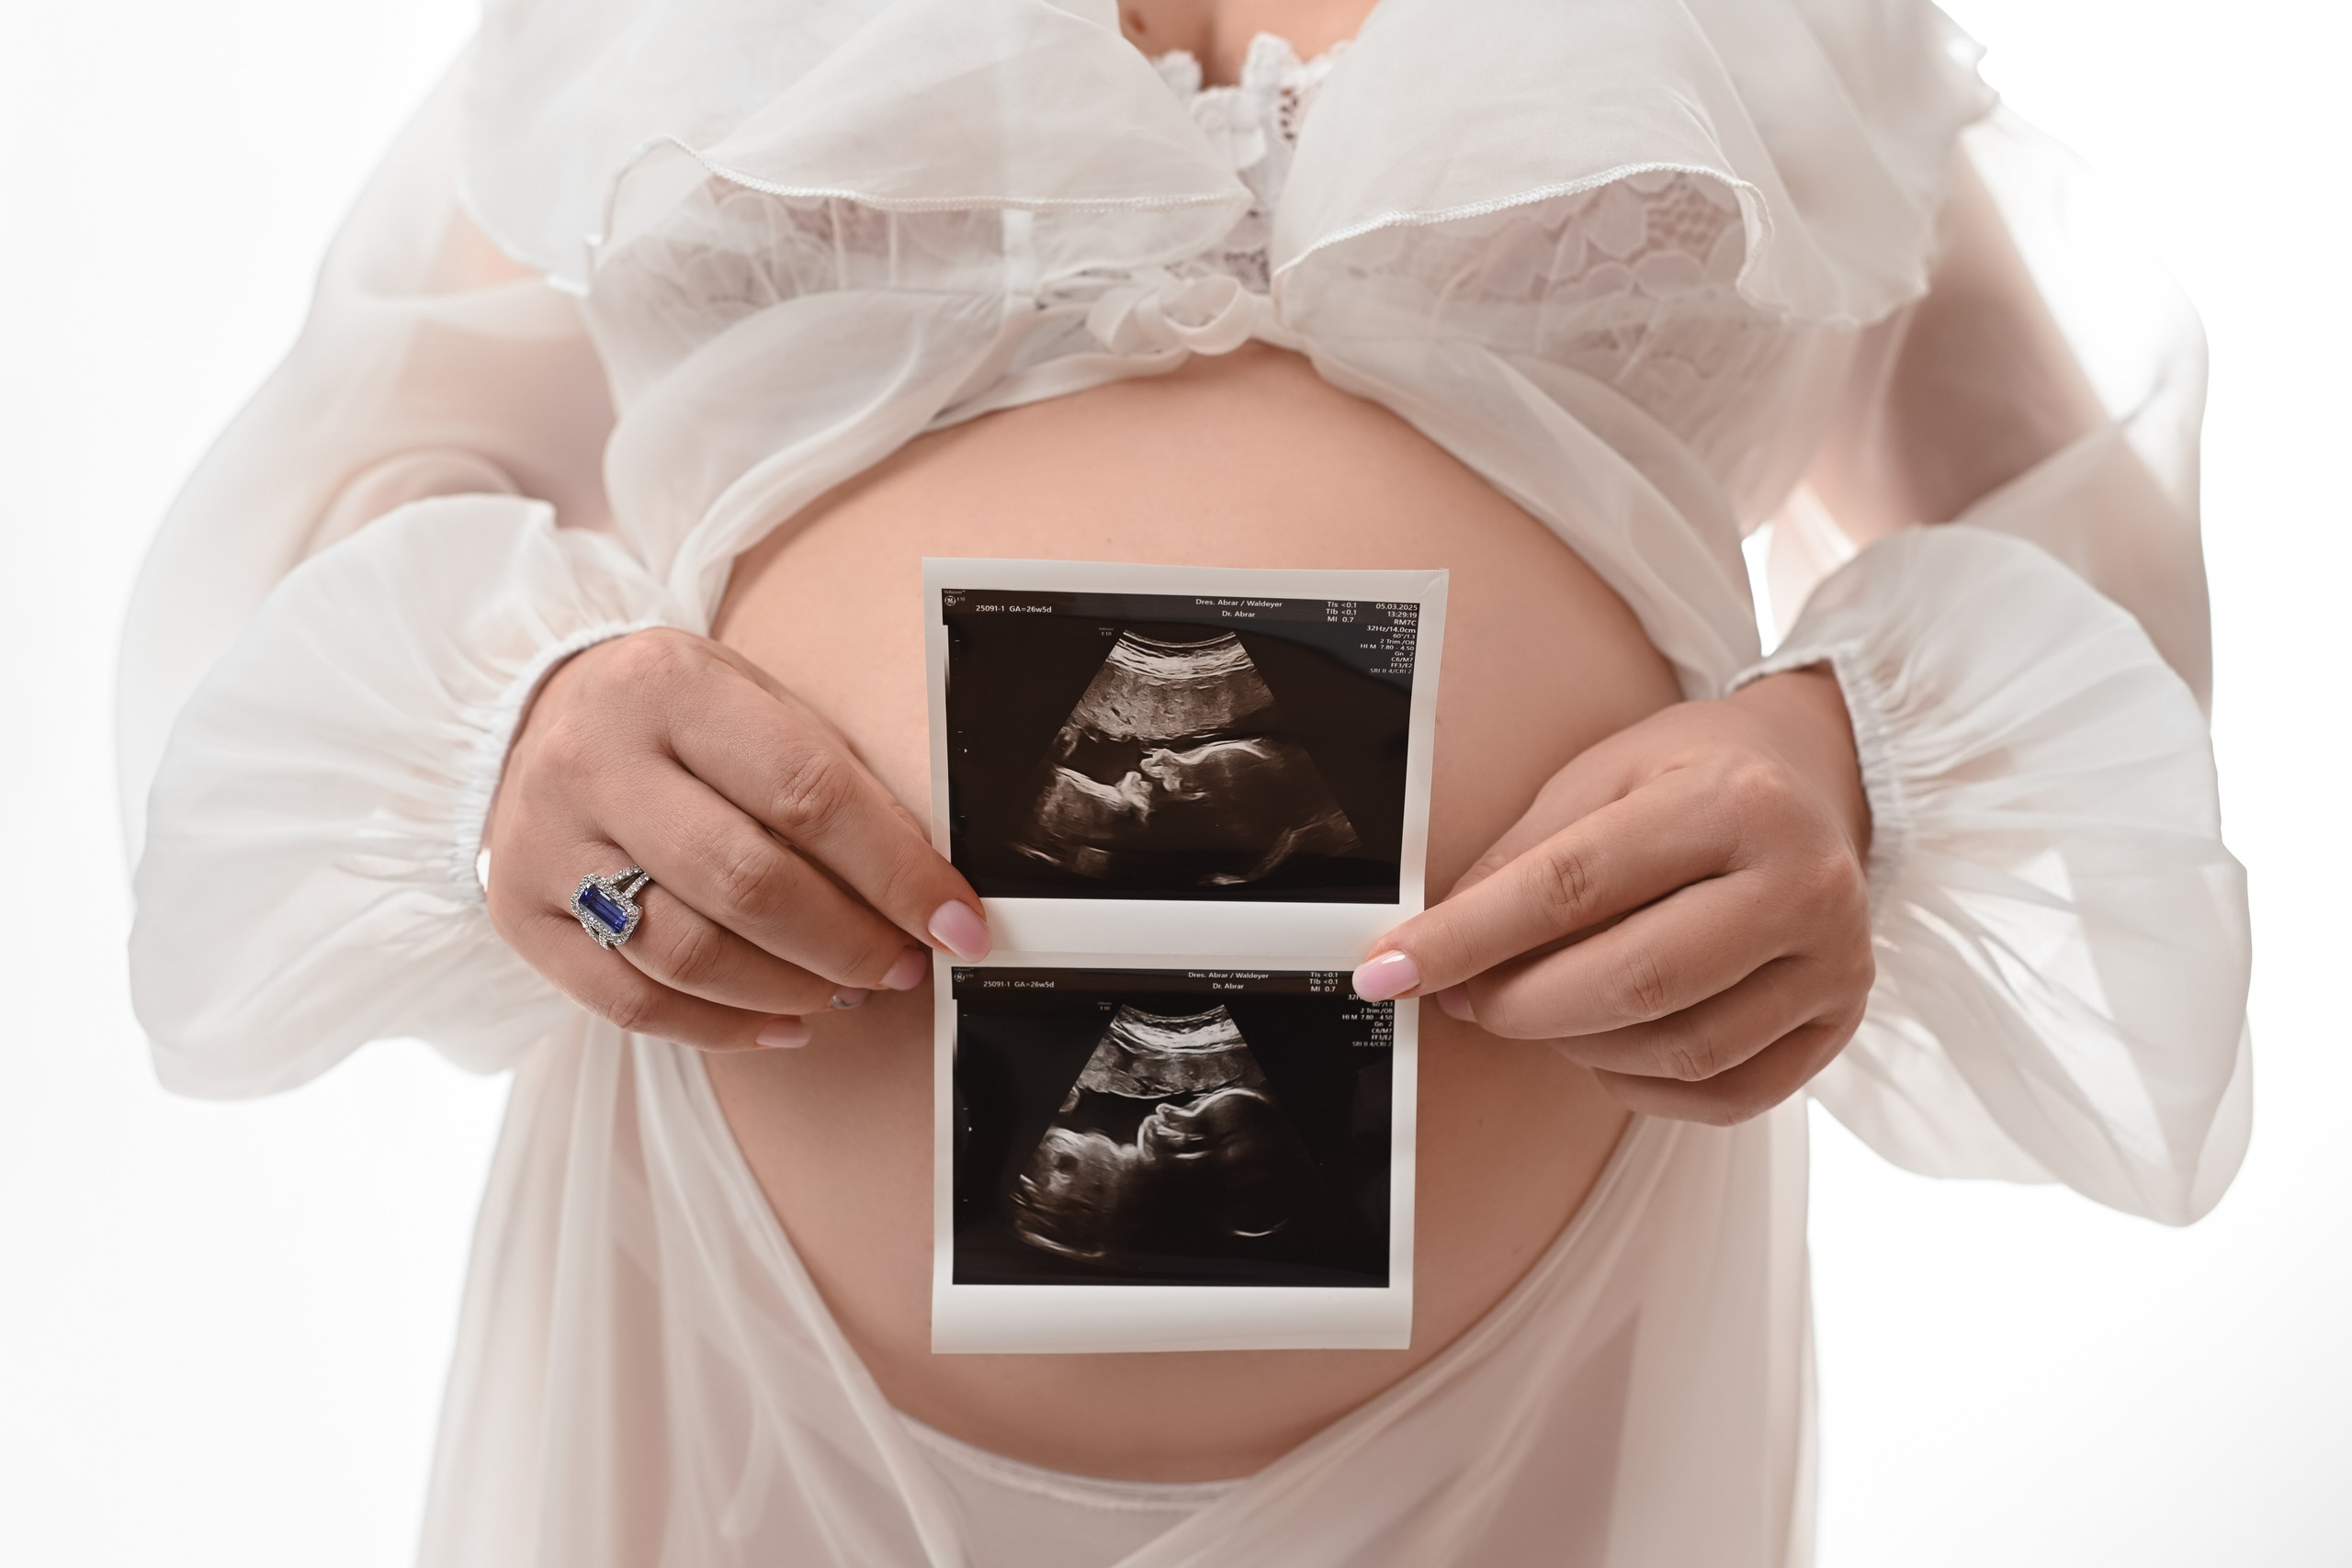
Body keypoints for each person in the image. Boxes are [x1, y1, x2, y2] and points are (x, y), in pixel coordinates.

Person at [119, 0, 2250, 1562]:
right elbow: (355, 474)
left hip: (1538, 1409)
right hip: (727, 1365)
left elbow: (2069, 533)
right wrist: (511, 742)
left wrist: (1849, 765)